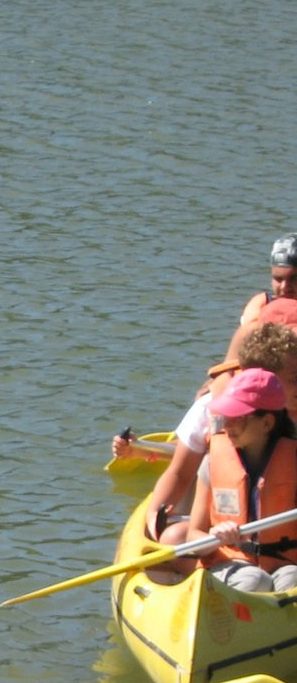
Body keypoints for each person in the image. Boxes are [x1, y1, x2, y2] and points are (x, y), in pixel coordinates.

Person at [113, 312, 297, 573]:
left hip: (283, 542)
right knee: (172, 540)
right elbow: (179, 473)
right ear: (262, 381)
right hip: (224, 530)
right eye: (293, 378)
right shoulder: (210, 410)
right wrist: (153, 525)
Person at [189, 368, 297, 593]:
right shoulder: (212, 462)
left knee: (292, 579)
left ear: (267, 423)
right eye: (225, 416)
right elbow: (193, 535)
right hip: (230, 563)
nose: (227, 424)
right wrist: (214, 537)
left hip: (283, 564)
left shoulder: (292, 460)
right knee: (254, 581)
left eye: (237, 417)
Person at [238, 234, 297, 328]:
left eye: (293, 278)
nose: (284, 287)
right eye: (278, 279)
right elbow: (248, 335)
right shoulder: (262, 303)